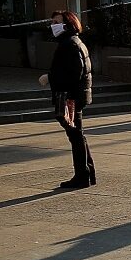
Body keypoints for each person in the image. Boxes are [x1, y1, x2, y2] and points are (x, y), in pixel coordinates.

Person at [47, 10, 95, 189]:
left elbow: (74, 72)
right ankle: (87, 173)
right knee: (77, 135)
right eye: (52, 22)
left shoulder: (69, 44)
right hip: (75, 95)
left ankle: (82, 175)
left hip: (71, 97)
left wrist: (50, 77)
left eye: (56, 22)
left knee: (75, 136)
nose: (53, 25)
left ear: (67, 23)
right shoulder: (73, 42)